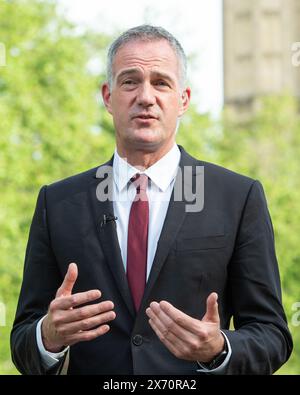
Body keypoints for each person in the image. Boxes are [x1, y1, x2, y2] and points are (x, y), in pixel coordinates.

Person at [11, 25, 292, 375]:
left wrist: (219, 348)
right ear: (108, 97)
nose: (146, 96)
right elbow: (23, 340)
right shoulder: (58, 203)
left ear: (183, 99)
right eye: (130, 81)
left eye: (161, 82)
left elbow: (273, 335)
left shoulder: (237, 197)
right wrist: (48, 336)